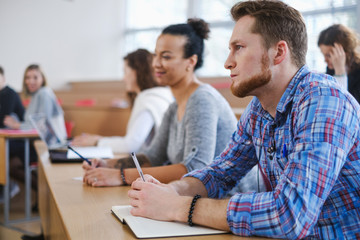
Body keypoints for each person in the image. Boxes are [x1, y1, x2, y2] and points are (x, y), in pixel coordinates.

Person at [127, 1, 360, 239]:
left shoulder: (324, 100)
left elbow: (289, 216)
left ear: (278, 52)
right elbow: (221, 172)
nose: (228, 62)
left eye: (238, 47)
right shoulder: (258, 108)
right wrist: (172, 190)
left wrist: (177, 207)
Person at [82, 18, 237, 187]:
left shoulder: (202, 99)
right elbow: (153, 156)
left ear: (191, 62)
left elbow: (195, 169)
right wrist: (108, 165)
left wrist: (120, 175)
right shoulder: (175, 105)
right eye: (155, 55)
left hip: (228, 200)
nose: (156, 63)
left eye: (166, 57)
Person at [71, 49, 174, 153]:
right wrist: (99, 139)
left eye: (125, 72)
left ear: (136, 72)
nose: (123, 79)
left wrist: (97, 142)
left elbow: (131, 145)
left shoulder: (148, 100)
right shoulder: (157, 96)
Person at [4, 64, 66, 191]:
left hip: (49, 145)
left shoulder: (43, 94)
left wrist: (16, 125)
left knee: (11, 162)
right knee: (9, 159)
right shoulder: (36, 95)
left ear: (42, 79)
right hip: (38, 143)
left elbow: (41, 124)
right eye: (27, 77)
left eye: (35, 77)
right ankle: (42, 194)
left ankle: (45, 193)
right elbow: (32, 121)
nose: (30, 81)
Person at [318, 24, 360, 103]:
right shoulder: (330, 72)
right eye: (323, 55)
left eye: (328, 55)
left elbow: (343, 105)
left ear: (344, 52)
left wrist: (340, 72)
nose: (325, 60)